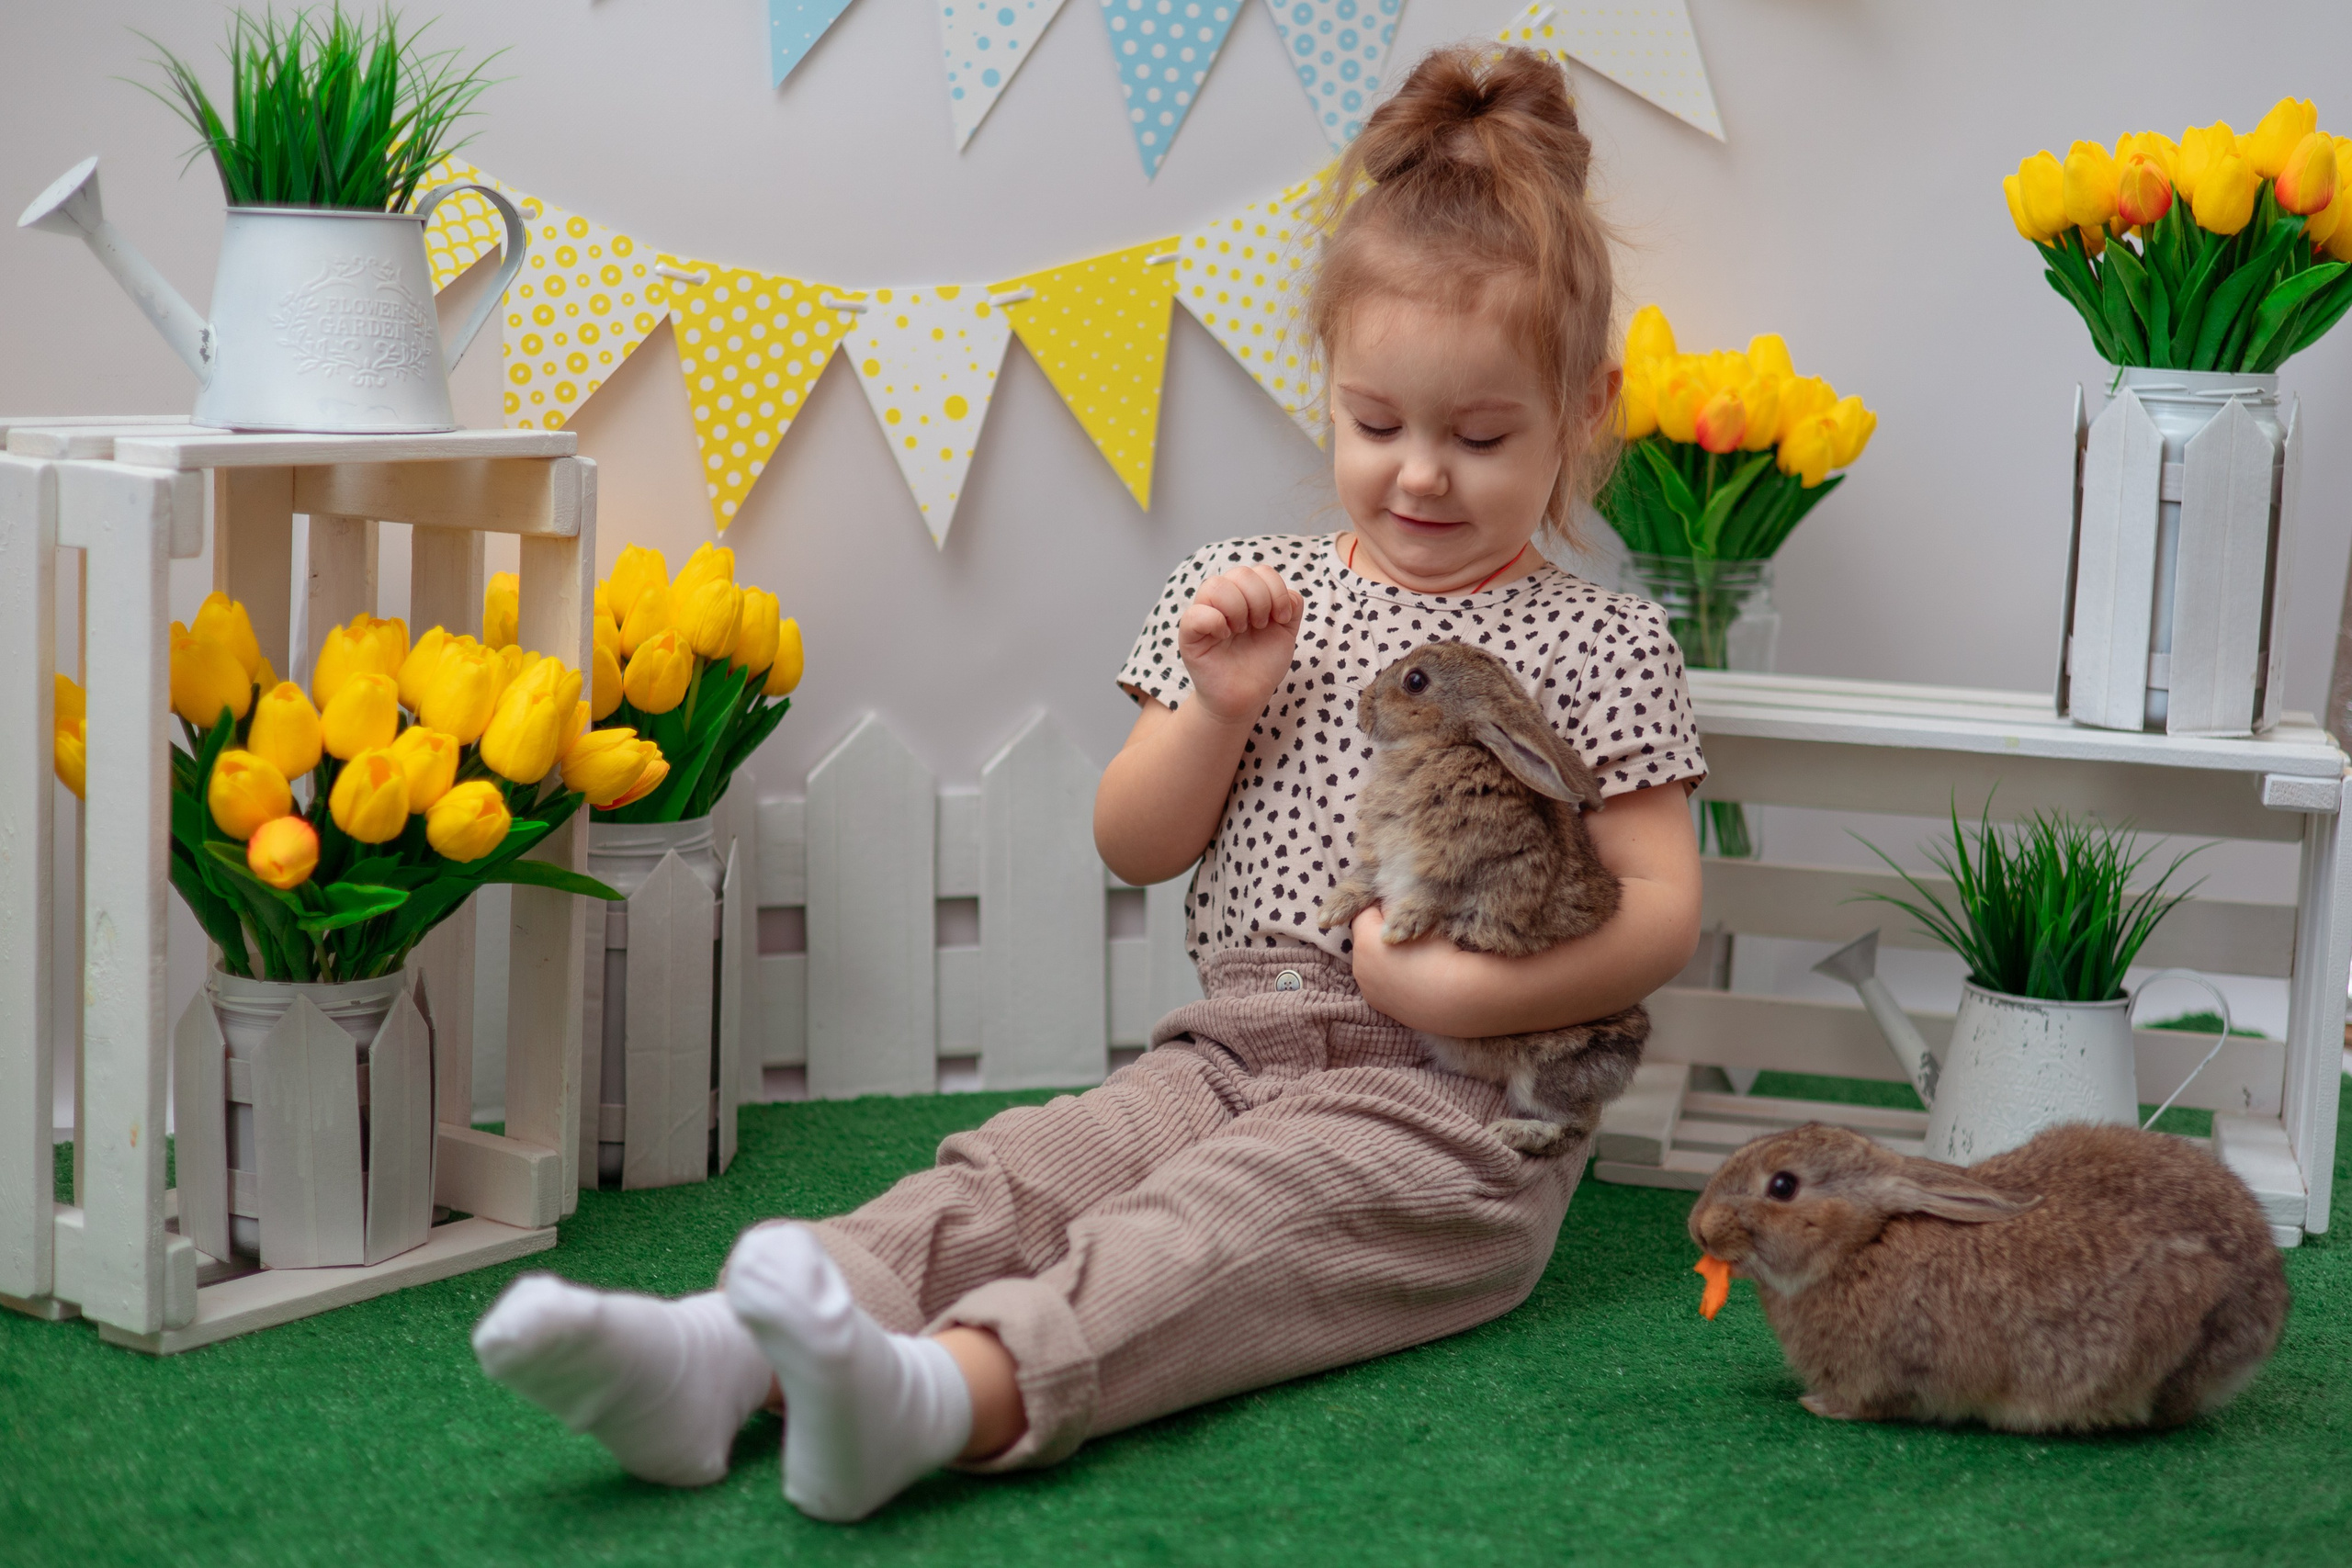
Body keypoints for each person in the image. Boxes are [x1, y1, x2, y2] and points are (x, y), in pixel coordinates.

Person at [469, 41, 1706, 1523]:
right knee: (1026, 1171)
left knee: (1215, 1233)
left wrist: (1453, 1000)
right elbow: (1132, 842)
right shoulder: (1253, 601)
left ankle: (945, 1399)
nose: (1419, 475)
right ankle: (725, 1360)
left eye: (1481, 436)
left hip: (1453, 1111)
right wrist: (1217, 710)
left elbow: (1656, 916)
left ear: (1585, 410)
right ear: (1328, 388)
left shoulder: (1605, 638)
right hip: (1230, 1049)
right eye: (1376, 424)